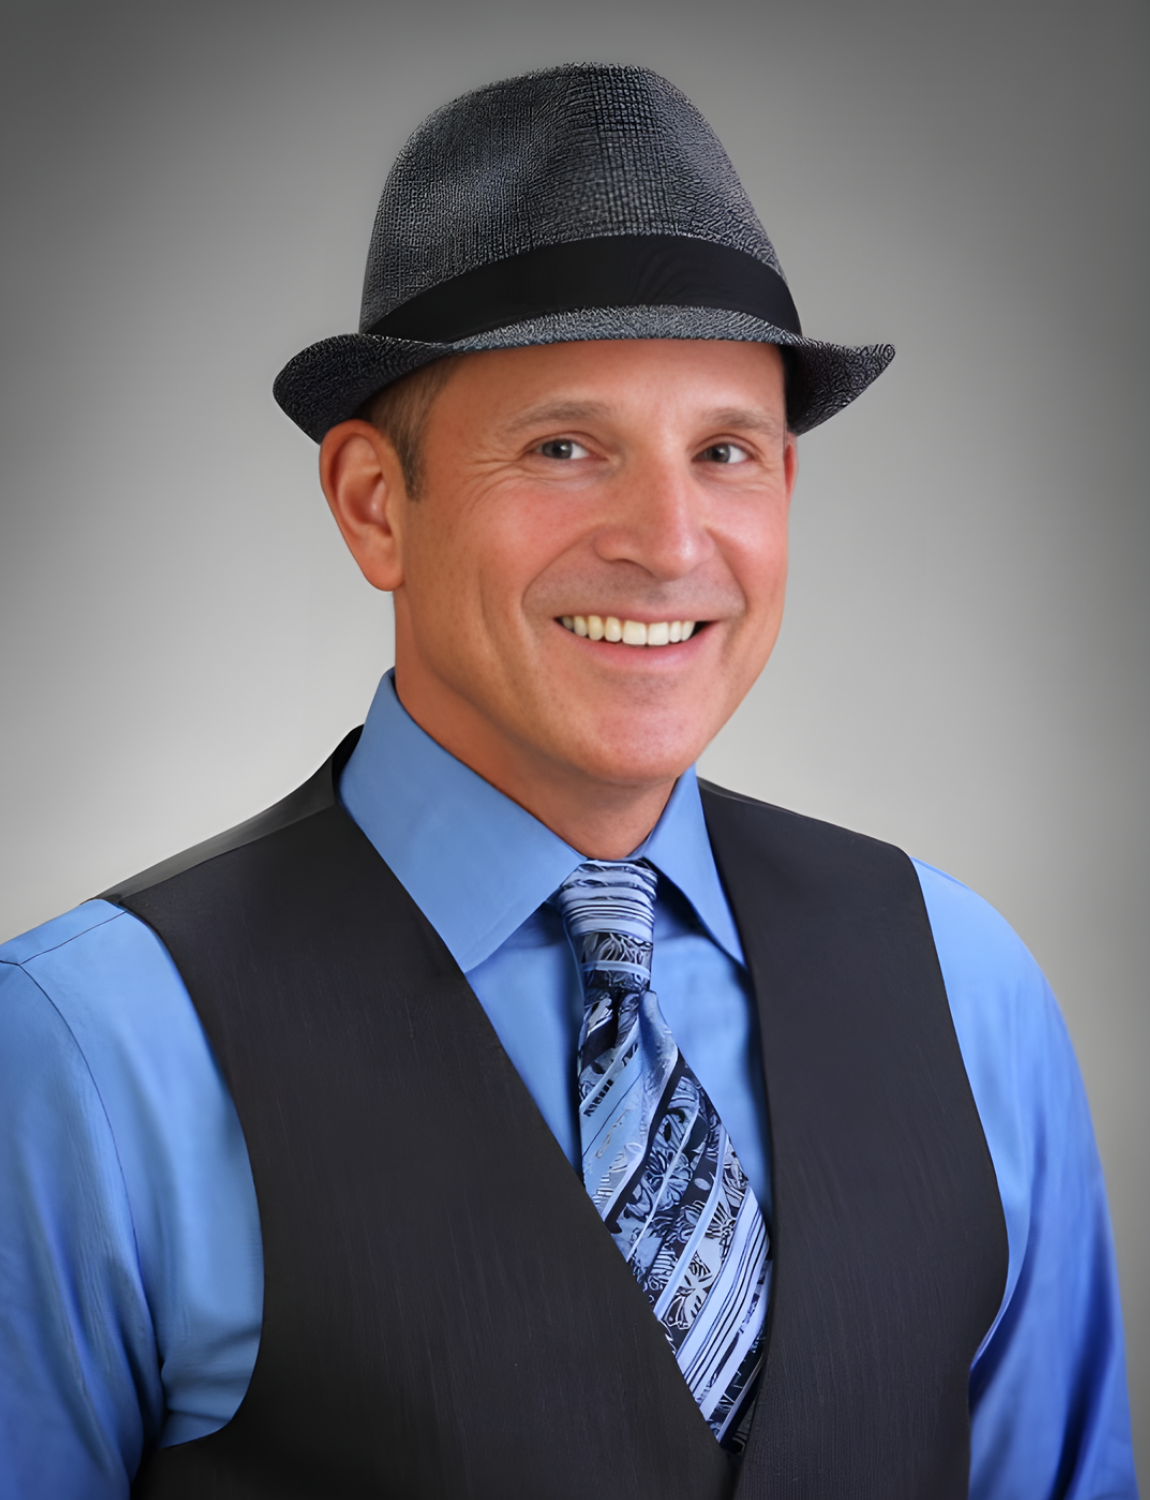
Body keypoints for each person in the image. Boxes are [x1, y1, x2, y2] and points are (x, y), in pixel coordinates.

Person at [0, 62, 1137, 1500]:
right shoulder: (88, 1054)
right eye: (563, 447)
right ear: (373, 504)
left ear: (785, 490)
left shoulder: (969, 992)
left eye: (724, 451)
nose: (669, 542)